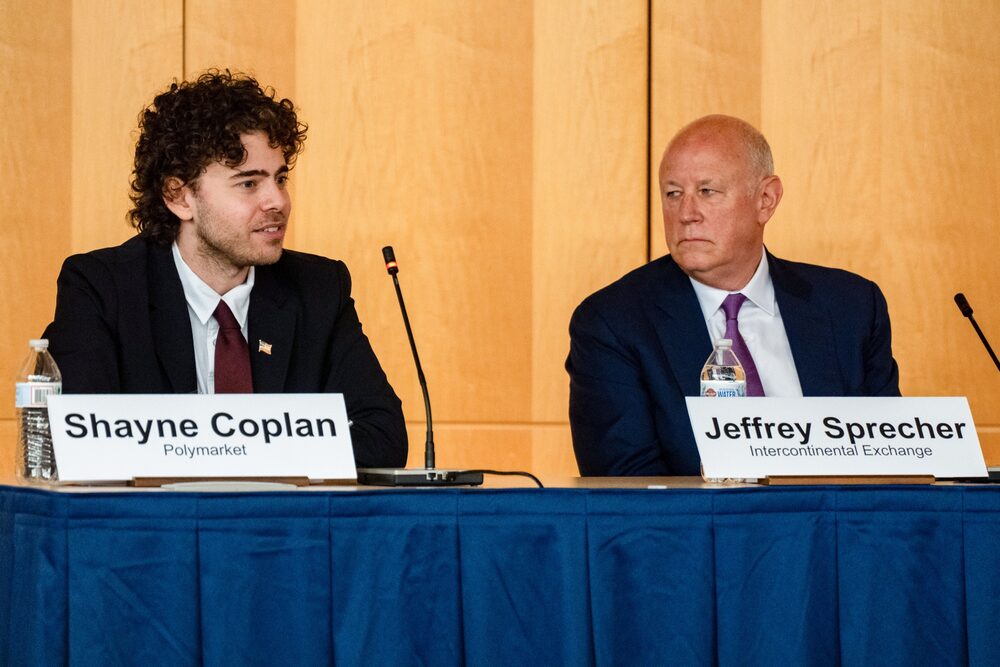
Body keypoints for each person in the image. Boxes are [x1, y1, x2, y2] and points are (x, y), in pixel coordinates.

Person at [43, 70, 407, 468]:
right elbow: (82, 440)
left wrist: (217, 450)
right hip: (157, 527)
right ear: (179, 197)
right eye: (249, 184)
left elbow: (382, 436)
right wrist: (268, 446)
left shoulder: (318, 289)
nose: (278, 201)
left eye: (280, 178)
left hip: (283, 528)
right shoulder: (102, 288)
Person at [566, 114, 899, 476]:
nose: (686, 214)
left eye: (707, 192)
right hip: (695, 532)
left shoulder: (850, 307)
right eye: (673, 193)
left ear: (766, 200)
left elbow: (892, 462)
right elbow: (628, 492)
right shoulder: (614, 323)